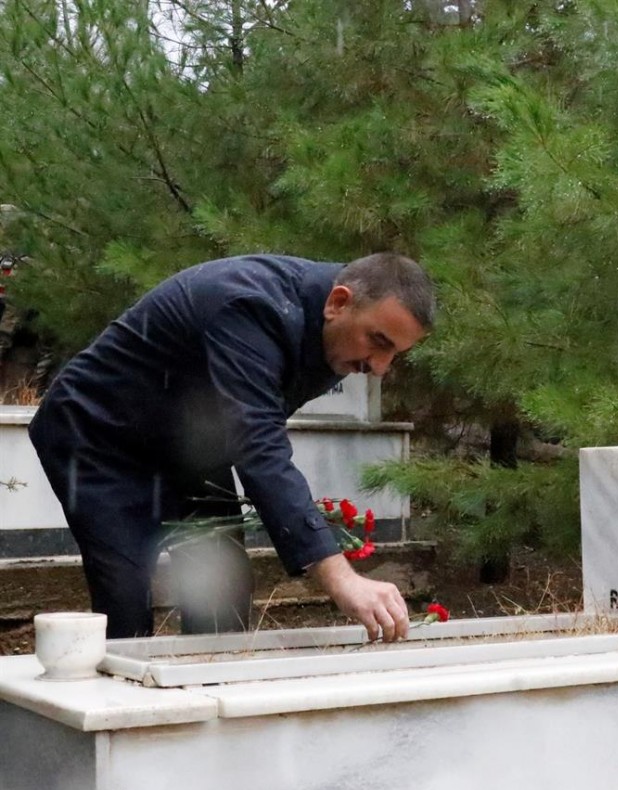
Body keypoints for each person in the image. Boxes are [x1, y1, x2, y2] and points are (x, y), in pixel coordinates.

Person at [29, 252, 434, 640]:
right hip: (100, 434)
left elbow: (251, 427)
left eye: (394, 354)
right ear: (338, 302)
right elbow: (258, 443)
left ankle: (210, 703)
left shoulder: (338, 331)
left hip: (188, 444)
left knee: (223, 594)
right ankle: (119, 702)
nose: (379, 367)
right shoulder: (250, 308)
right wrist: (341, 578)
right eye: (377, 342)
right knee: (125, 595)